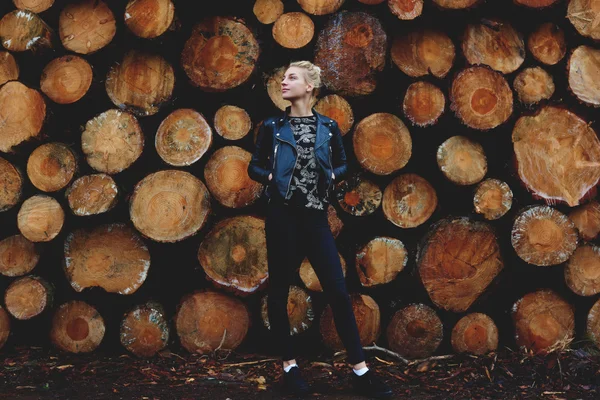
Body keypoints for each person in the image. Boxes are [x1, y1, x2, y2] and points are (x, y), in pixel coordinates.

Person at [247, 60, 393, 398]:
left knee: (338, 293)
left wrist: (330, 175)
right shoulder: (272, 126)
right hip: (281, 217)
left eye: (292, 77)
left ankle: (360, 371)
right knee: (280, 292)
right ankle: (289, 367)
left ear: (310, 86)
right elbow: (255, 166)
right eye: (283, 77)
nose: (284, 82)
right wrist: (270, 177)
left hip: (315, 219)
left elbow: (343, 163)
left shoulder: (328, 127)